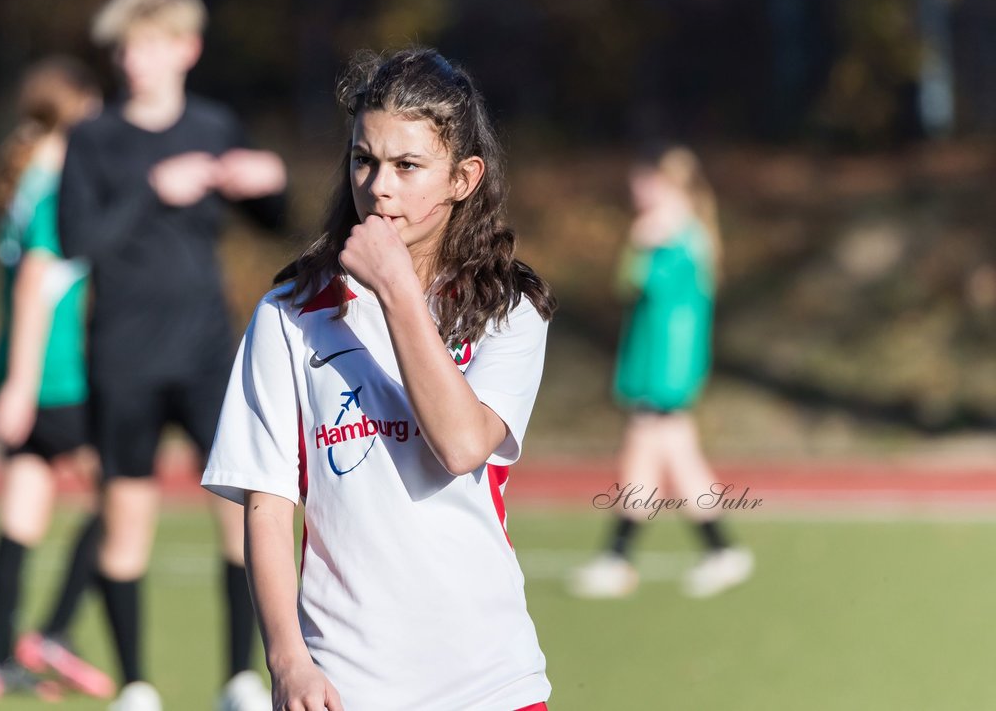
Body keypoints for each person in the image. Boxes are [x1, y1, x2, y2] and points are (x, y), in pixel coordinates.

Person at [202, 47, 556, 711]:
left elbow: (460, 445)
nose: (380, 186)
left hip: (491, 683)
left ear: (464, 177)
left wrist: (395, 288)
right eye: (364, 160)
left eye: (408, 166)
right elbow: (268, 506)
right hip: (345, 686)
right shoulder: (290, 315)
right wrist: (287, 662)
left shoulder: (508, 308)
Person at [58, 0, 288, 711]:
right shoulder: (92, 139)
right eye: (125, 47)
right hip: (123, 357)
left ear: (186, 49)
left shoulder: (217, 126)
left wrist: (269, 183)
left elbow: (271, 223)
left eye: (150, 45)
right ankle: (136, 685)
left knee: (243, 516)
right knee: (125, 524)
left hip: (207, 354)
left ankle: (240, 677)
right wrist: (152, 189)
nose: (134, 60)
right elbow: (75, 240)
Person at [0, 57, 116, 700]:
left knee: (22, 515)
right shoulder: (60, 187)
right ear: (77, 111)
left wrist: (10, 382)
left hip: (14, 369)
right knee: (119, 499)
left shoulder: (24, 179)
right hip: (53, 379)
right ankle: (54, 632)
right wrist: (25, 388)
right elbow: (37, 281)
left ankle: (0, 659)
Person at [570, 145, 753, 599]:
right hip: (657, 364)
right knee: (656, 461)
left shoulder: (680, 237)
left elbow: (636, 283)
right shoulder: (680, 234)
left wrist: (641, 242)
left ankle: (627, 558)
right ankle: (699, 551)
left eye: (646, 182)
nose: (637, 191)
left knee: (654, 457)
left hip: (666, 368)